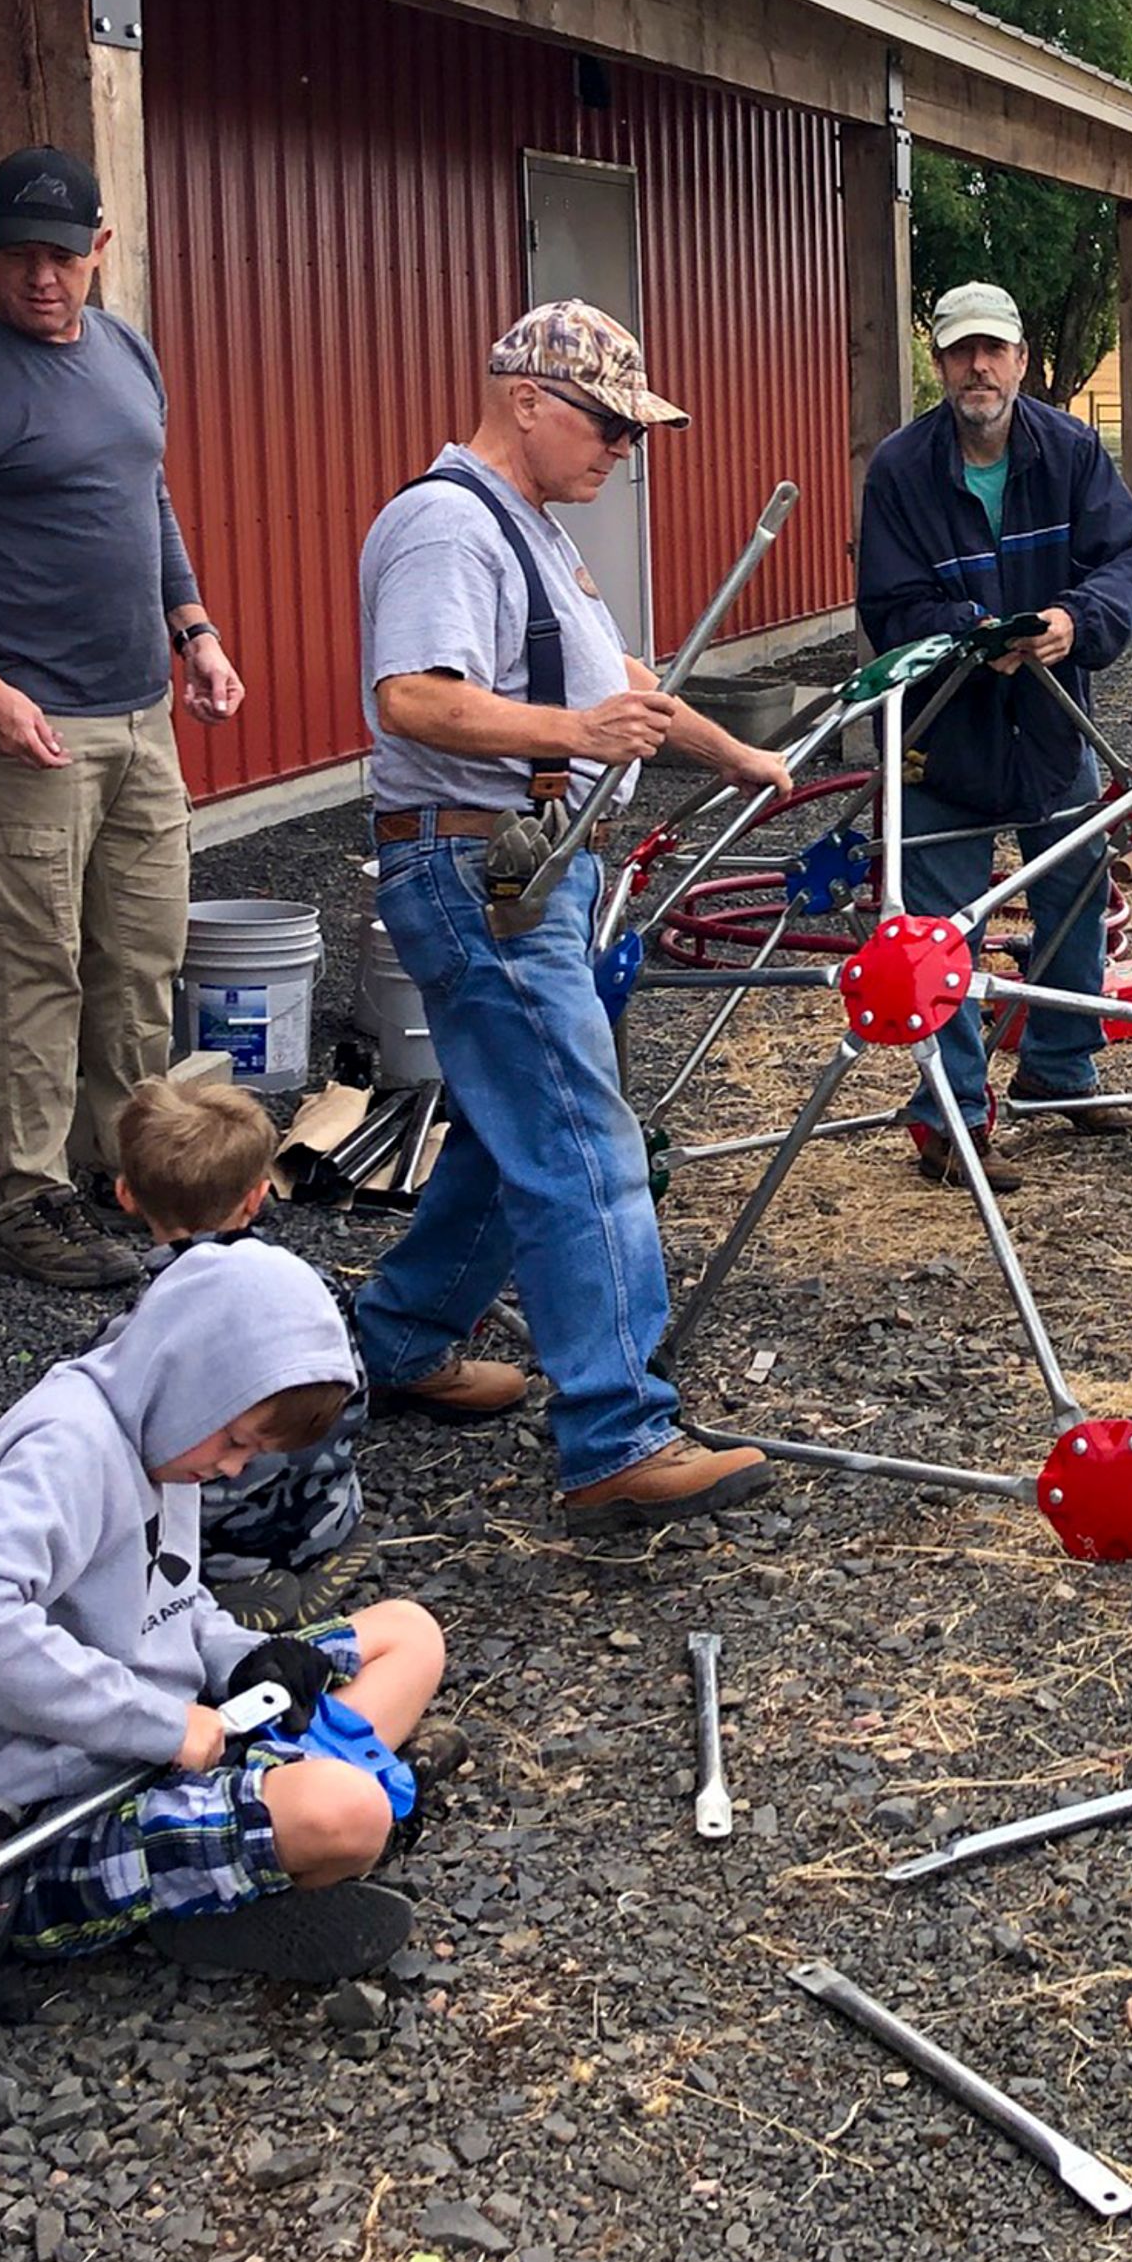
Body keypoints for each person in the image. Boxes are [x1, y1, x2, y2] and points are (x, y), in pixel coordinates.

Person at [355, 301, 792, 1524]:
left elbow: (626, 692)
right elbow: (416, 701)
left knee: (515, 1128)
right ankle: (615, 1436)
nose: (624, 450)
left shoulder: (531, 531)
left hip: (533, 868)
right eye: (608, 424)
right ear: (526, 400)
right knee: (583, 1144)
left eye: (634, 431)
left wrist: (734, 757)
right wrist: (573, 735)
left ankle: (398, 1339)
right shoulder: (447, 526)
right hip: (478, 870)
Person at [0, 145, 246, 1295]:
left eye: (64, 258)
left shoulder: (125, 352)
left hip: (136, 712)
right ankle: (28, 1192)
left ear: (100, 253)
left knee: (138, 951)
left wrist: (195, 627)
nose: (43, 279)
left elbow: (149, 494)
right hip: (22, 721)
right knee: (39, 961)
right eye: (21, 256)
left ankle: (121, 1162)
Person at [0, 1238, 451, 2019]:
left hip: (163, 1745)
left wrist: (245, 1659)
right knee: (350, 1815)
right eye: (238, 1440)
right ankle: (185, 1891)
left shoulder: (165, 1438)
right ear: (193, 1376)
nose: (233, 1469)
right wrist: (157, 1722)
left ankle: (251, 1845)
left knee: (407, 1632)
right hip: (48, 1808)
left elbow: (172, 1603)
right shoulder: (70, 1447)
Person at [855, 280, 1132, 1193]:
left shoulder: (1067, 449)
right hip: (943, 732)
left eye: (994, 350)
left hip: (1049, 720)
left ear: (1021, 360)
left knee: (1072, 889)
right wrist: (972, 635)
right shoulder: (900, 469)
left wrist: (1075, 619)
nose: (978, 367)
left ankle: (1060, 1065)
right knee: (941, 934)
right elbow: (888, 602)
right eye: (960, 352)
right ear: (940, 363)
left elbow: (1130, 557)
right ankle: (948, 1117)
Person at [92, 1075, 375, 1628]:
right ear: (258, 1197)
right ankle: (319, 1551)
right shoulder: (313, 1289)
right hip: (328, 1505)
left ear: (126, 1195)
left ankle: (225, 1583)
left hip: (211, 1541)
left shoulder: (144, 1328)